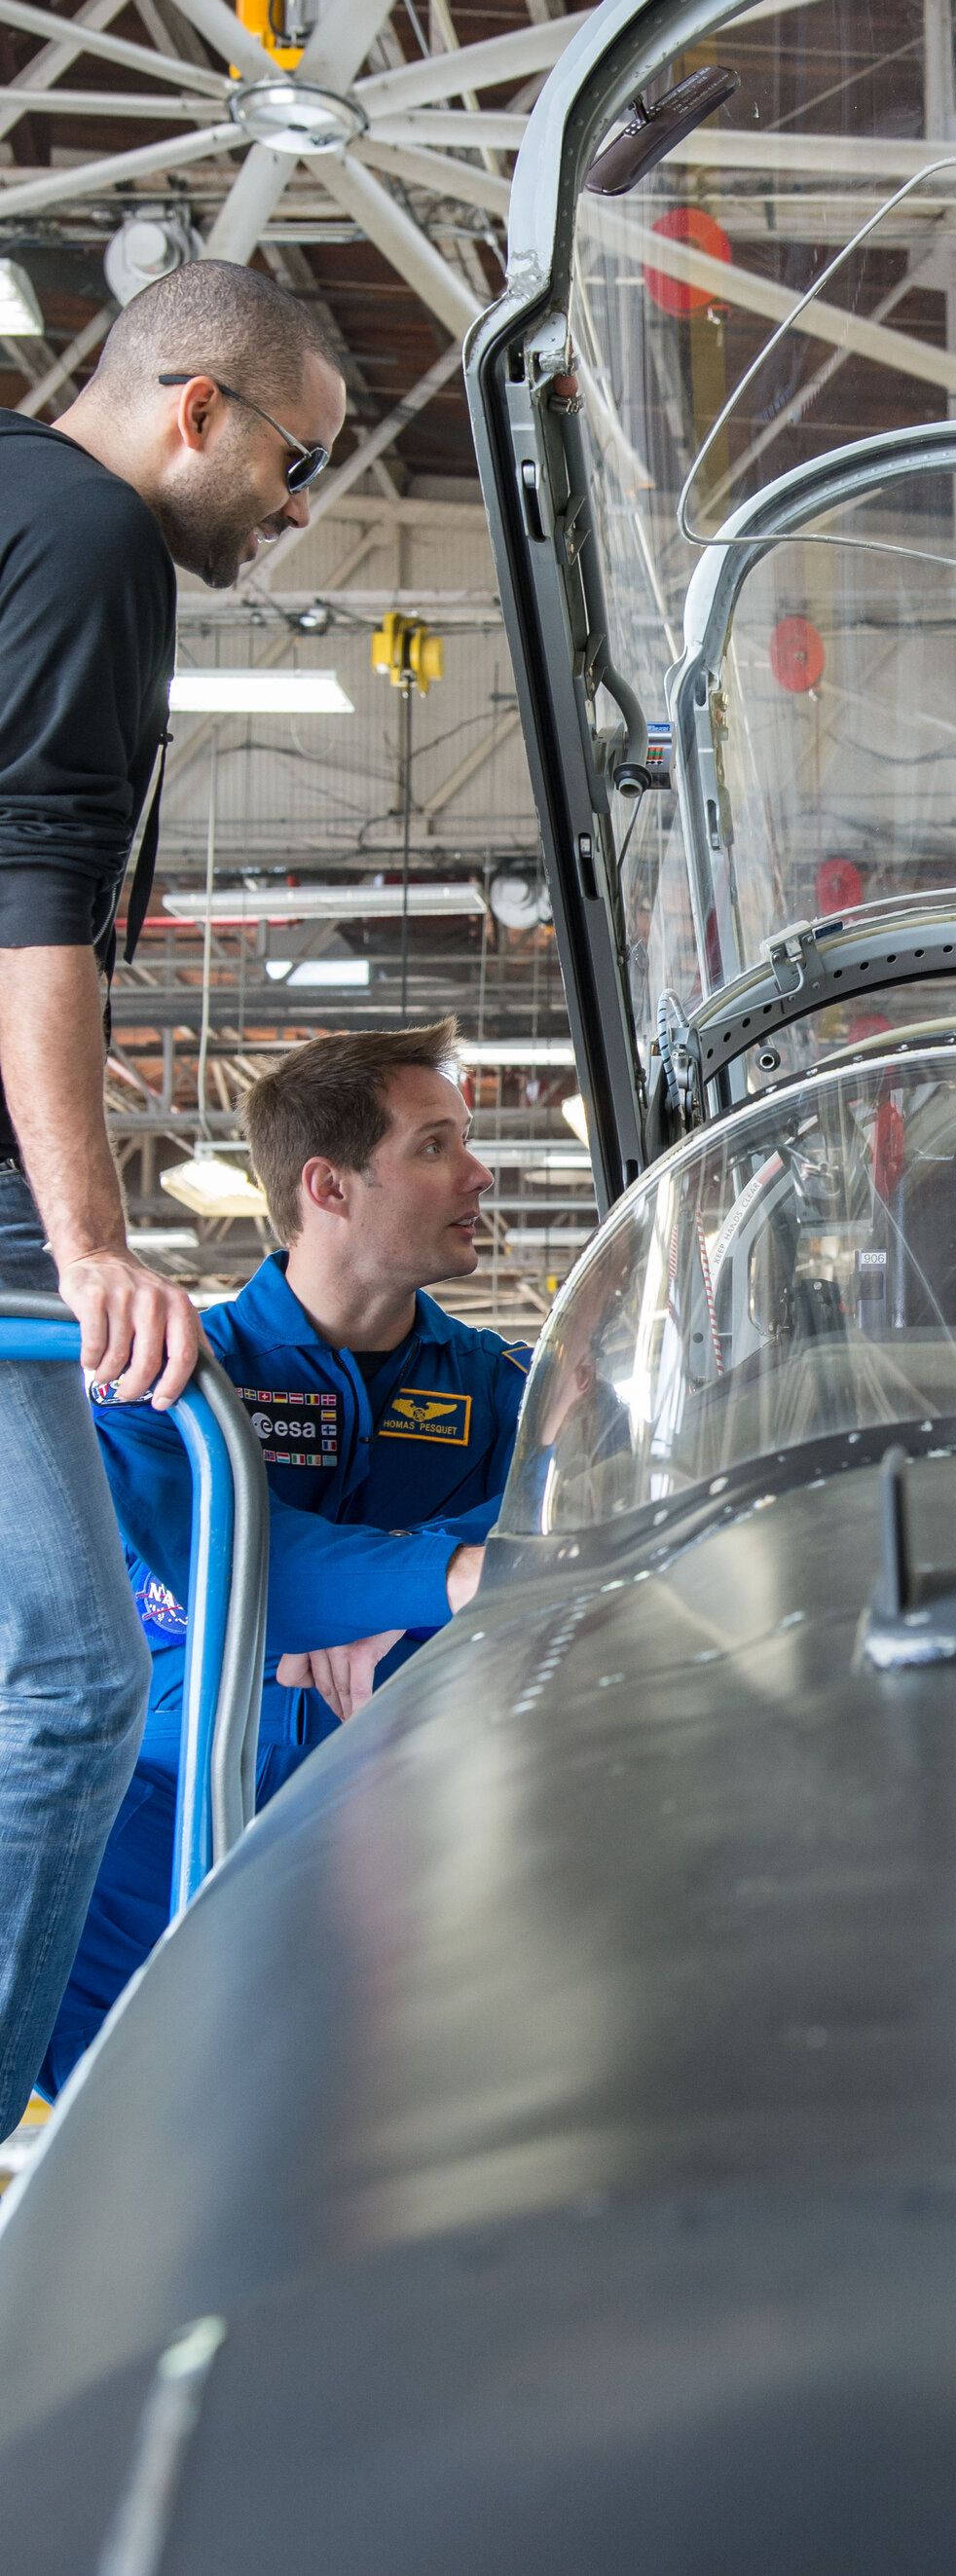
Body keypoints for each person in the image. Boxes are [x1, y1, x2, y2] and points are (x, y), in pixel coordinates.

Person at [0, 258, 346, 2134]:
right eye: (296, 465)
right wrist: (85, 1245)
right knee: (70, 1694)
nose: (297, 516)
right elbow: (32, 913)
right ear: (195, 407)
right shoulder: (94, 542)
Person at [42, 1020, 529, 2092]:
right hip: (156, 1842)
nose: (480, 1172)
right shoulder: (163, 1375)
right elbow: (230, 1563)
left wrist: (384, 1610)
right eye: (437, 1144)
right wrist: (444, 1579)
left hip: (405, 1834)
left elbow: (570, 1515)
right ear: (331, 1184)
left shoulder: (503, 1386)